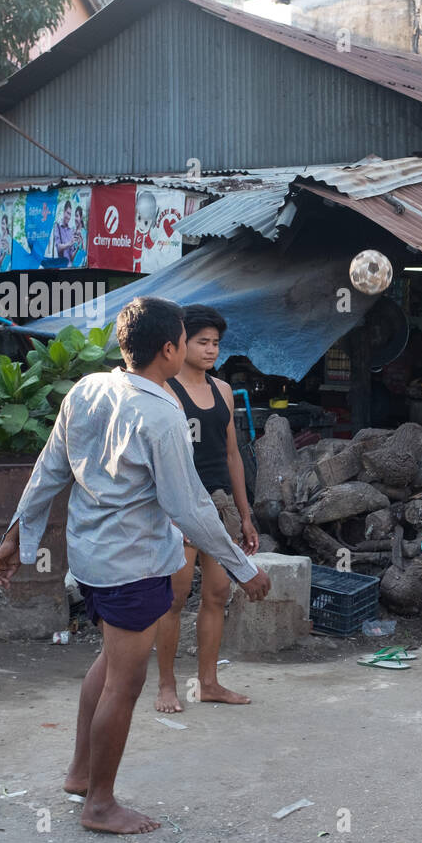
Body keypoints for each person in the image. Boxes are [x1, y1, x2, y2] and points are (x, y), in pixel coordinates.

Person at [0, 297, 271, 835]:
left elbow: (49, 469)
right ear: (169, 349)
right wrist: (242, 567)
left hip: (93, 560)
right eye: (187, 339)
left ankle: (79, 773)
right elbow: (189, 507)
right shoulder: (161, 412)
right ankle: (100, 803)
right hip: (133, 564)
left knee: (108, 665)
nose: (192, 347)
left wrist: (13, 537)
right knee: (126, 681)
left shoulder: (89, 388)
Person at [155, 305, 259, 713]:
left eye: (216, 343)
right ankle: (166, 686)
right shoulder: (165, 392)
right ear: (181, 342)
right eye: (202, 342)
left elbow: (233, 454)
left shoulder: (223, 391)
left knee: (217, 593)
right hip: (180, 508)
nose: (211, 349)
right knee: (174, 598)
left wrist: (244, 513)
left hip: (219, 506)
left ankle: (209, 682)